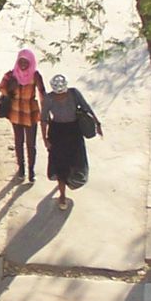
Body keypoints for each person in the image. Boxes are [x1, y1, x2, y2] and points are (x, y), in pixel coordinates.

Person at [42, 73, 99, 211]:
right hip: (57, 133)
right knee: (60, 165)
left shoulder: (74, 94)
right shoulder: (49, 99)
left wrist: (97, 123)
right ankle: (62, 194)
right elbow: (43, 120)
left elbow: (86, 108)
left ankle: (70, 181)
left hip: (74, 132)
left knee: (76, 161)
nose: (60, 95)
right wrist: (45, 140)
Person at [0, 48, 47, 183]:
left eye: (26, 62)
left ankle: (31, 170)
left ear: (31, 62)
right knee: (18, 142)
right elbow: (1, 87)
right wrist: (9, 89)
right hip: (15, 112)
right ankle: (21, 169)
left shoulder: (35, 75)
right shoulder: (11, 75)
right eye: (21, 61)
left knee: (31, 144)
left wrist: (46, 112)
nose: (23, 64)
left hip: (30, 112)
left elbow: (42, 93)